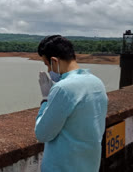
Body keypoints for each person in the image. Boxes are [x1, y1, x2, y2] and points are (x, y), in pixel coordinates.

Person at [34, 35, 108, 172]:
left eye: (47, 65)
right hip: (90, 165)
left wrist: (45, 99)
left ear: (54, 61)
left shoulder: (63, 88)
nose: (49, 71)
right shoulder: (97, 83)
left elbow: (42, 134)